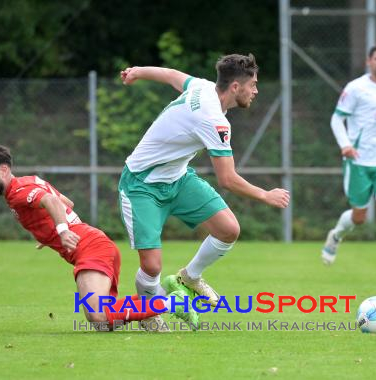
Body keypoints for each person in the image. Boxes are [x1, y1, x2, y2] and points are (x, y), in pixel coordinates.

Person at [118, 54, 290, 310]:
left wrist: (138, 71)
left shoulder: (203, 86)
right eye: (252, 84)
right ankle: (148, 314)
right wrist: (266, 195)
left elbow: (171, 75)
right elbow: (228, 179)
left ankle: (189, 277)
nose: (255, 90)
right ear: (235, 87)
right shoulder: (214, 121)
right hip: (142, 184)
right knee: (152, 266)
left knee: (228, 229)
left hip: (177, 178)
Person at [0, 144, 198, 332]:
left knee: (98, 316)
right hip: (95, 244)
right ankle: (165, 292)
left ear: (4, 170)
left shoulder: (18, 192)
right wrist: (48, 235)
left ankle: (173, 302)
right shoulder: (28, 182)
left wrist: (62, 230)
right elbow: (67, 203)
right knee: (106, 320)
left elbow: (53, 202)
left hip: (91, 248)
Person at [321, 42, 376, 283]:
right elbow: (336, 119)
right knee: (359, 217)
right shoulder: (356, 88)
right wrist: (345, 146)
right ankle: (337, 235)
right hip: (359, 160)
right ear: (369, 63)